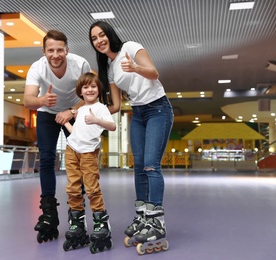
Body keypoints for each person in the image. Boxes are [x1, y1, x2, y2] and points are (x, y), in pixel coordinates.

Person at [89, 21, 173, 254]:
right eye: (94, 38)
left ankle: (157, 220)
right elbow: (115, 105)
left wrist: (135, 67)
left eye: (102, 35)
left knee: (150, 165)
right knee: (137, 167)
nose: (99, 40)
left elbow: (154, 73)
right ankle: (142, 217)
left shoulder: (131, 47)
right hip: (137, 113)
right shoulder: (110, 68)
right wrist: (89, 112)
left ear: (110, 35)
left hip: (157, 108)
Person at [24, 30, 91, 243]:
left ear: (67, 50)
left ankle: (77, 213)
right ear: (43, 51)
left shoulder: (80, 64)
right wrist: (43, 101)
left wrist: (71, 110)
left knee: (79, 160)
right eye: (50, 50)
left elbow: (91, 95)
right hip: (47, 113)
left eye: (60, 50)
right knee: (46, 159)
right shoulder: (37, 68)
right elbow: (28, 100)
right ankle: (49, 213)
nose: (55, 55)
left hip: (73, 112)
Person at [62, 72, 115, 254]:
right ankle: (77, 222)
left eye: (93, 86)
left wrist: (96, 120)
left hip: (89, 152)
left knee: (92, 188)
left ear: (98, 89)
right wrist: (66, 124)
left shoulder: (101, 108)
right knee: (72, 187)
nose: (90, 89)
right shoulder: (80, 109)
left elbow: (112, 126)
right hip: (72, 149)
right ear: (80, 92)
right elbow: (76, 132)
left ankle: (101, 222)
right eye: (85, 87)